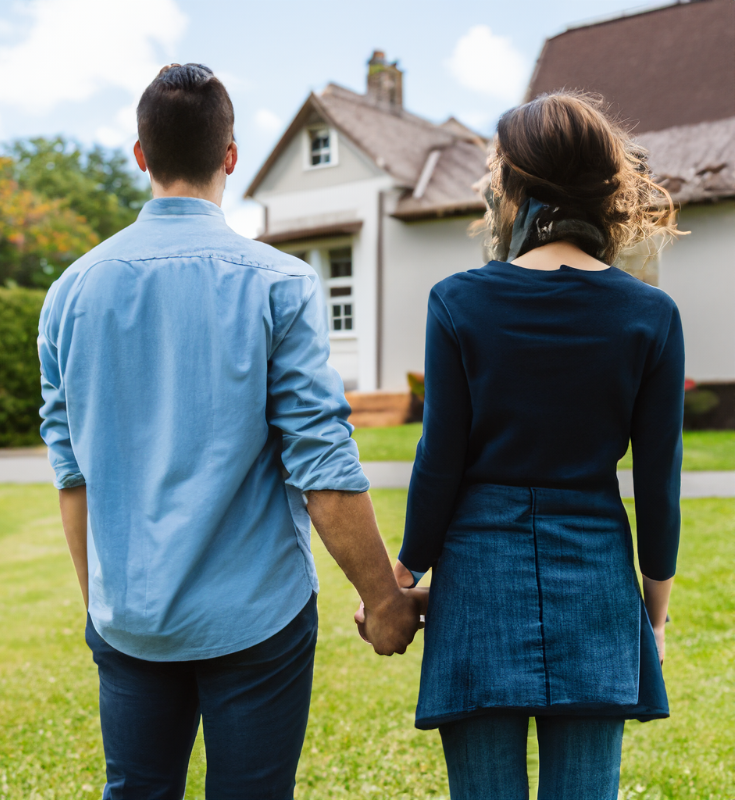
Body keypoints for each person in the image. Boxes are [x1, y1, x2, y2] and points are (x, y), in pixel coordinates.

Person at [38, 63, 420, 800]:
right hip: (258, 618)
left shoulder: (69, 294)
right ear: (231, 157)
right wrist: (384, 600)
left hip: (129, 619)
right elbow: (322, 463)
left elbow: (71, 472)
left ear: (141, 154)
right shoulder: (280, 283)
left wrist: (104, 610)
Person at [364, 91, 684, 799]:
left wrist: (406, 573)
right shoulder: (651, 315)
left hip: (477, 581)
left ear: (512, 187)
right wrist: (652, 618)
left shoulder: (459, 301)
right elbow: (659, 488)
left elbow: (439, 459)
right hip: (599, 588)